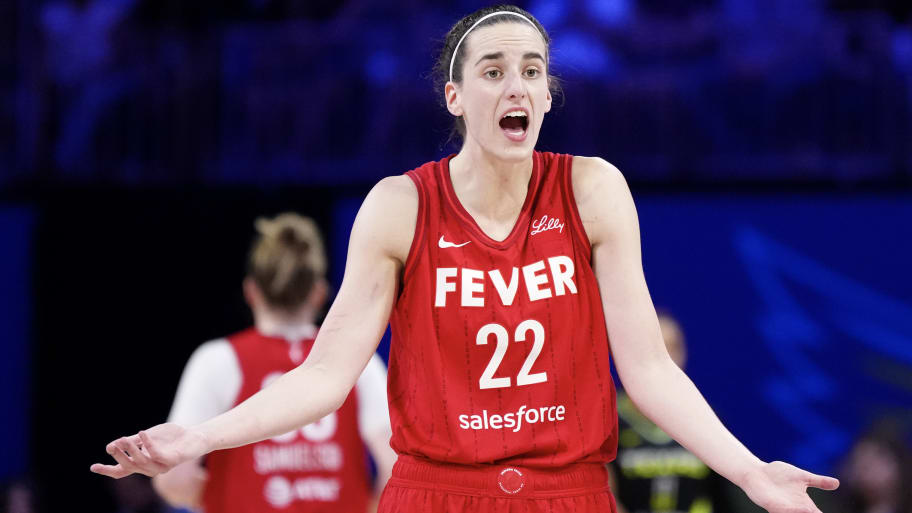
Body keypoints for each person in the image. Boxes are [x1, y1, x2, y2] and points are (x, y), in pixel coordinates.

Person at [91, 5, 840, 512]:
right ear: (454, 96)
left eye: (532, 69)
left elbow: (646, 371)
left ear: (548, 92)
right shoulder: (401, 205)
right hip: (435, 491)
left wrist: (749, 472)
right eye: (492, 70)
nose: (516, 84)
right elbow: (326, 374)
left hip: (567, 491)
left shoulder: (593, 189)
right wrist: (199, 435)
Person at [147, 213, 396, 513]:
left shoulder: (216, 361)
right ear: (319, 294)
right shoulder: (358, 362)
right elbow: (393, 466)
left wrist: (220, 497)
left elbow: (175, 478)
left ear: (251, 291)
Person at [610, 312, 732, 513]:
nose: (666, 358)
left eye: (673, 347)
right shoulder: (606, 421)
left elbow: (725, 498)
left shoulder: (708, 419)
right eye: (655, 348)